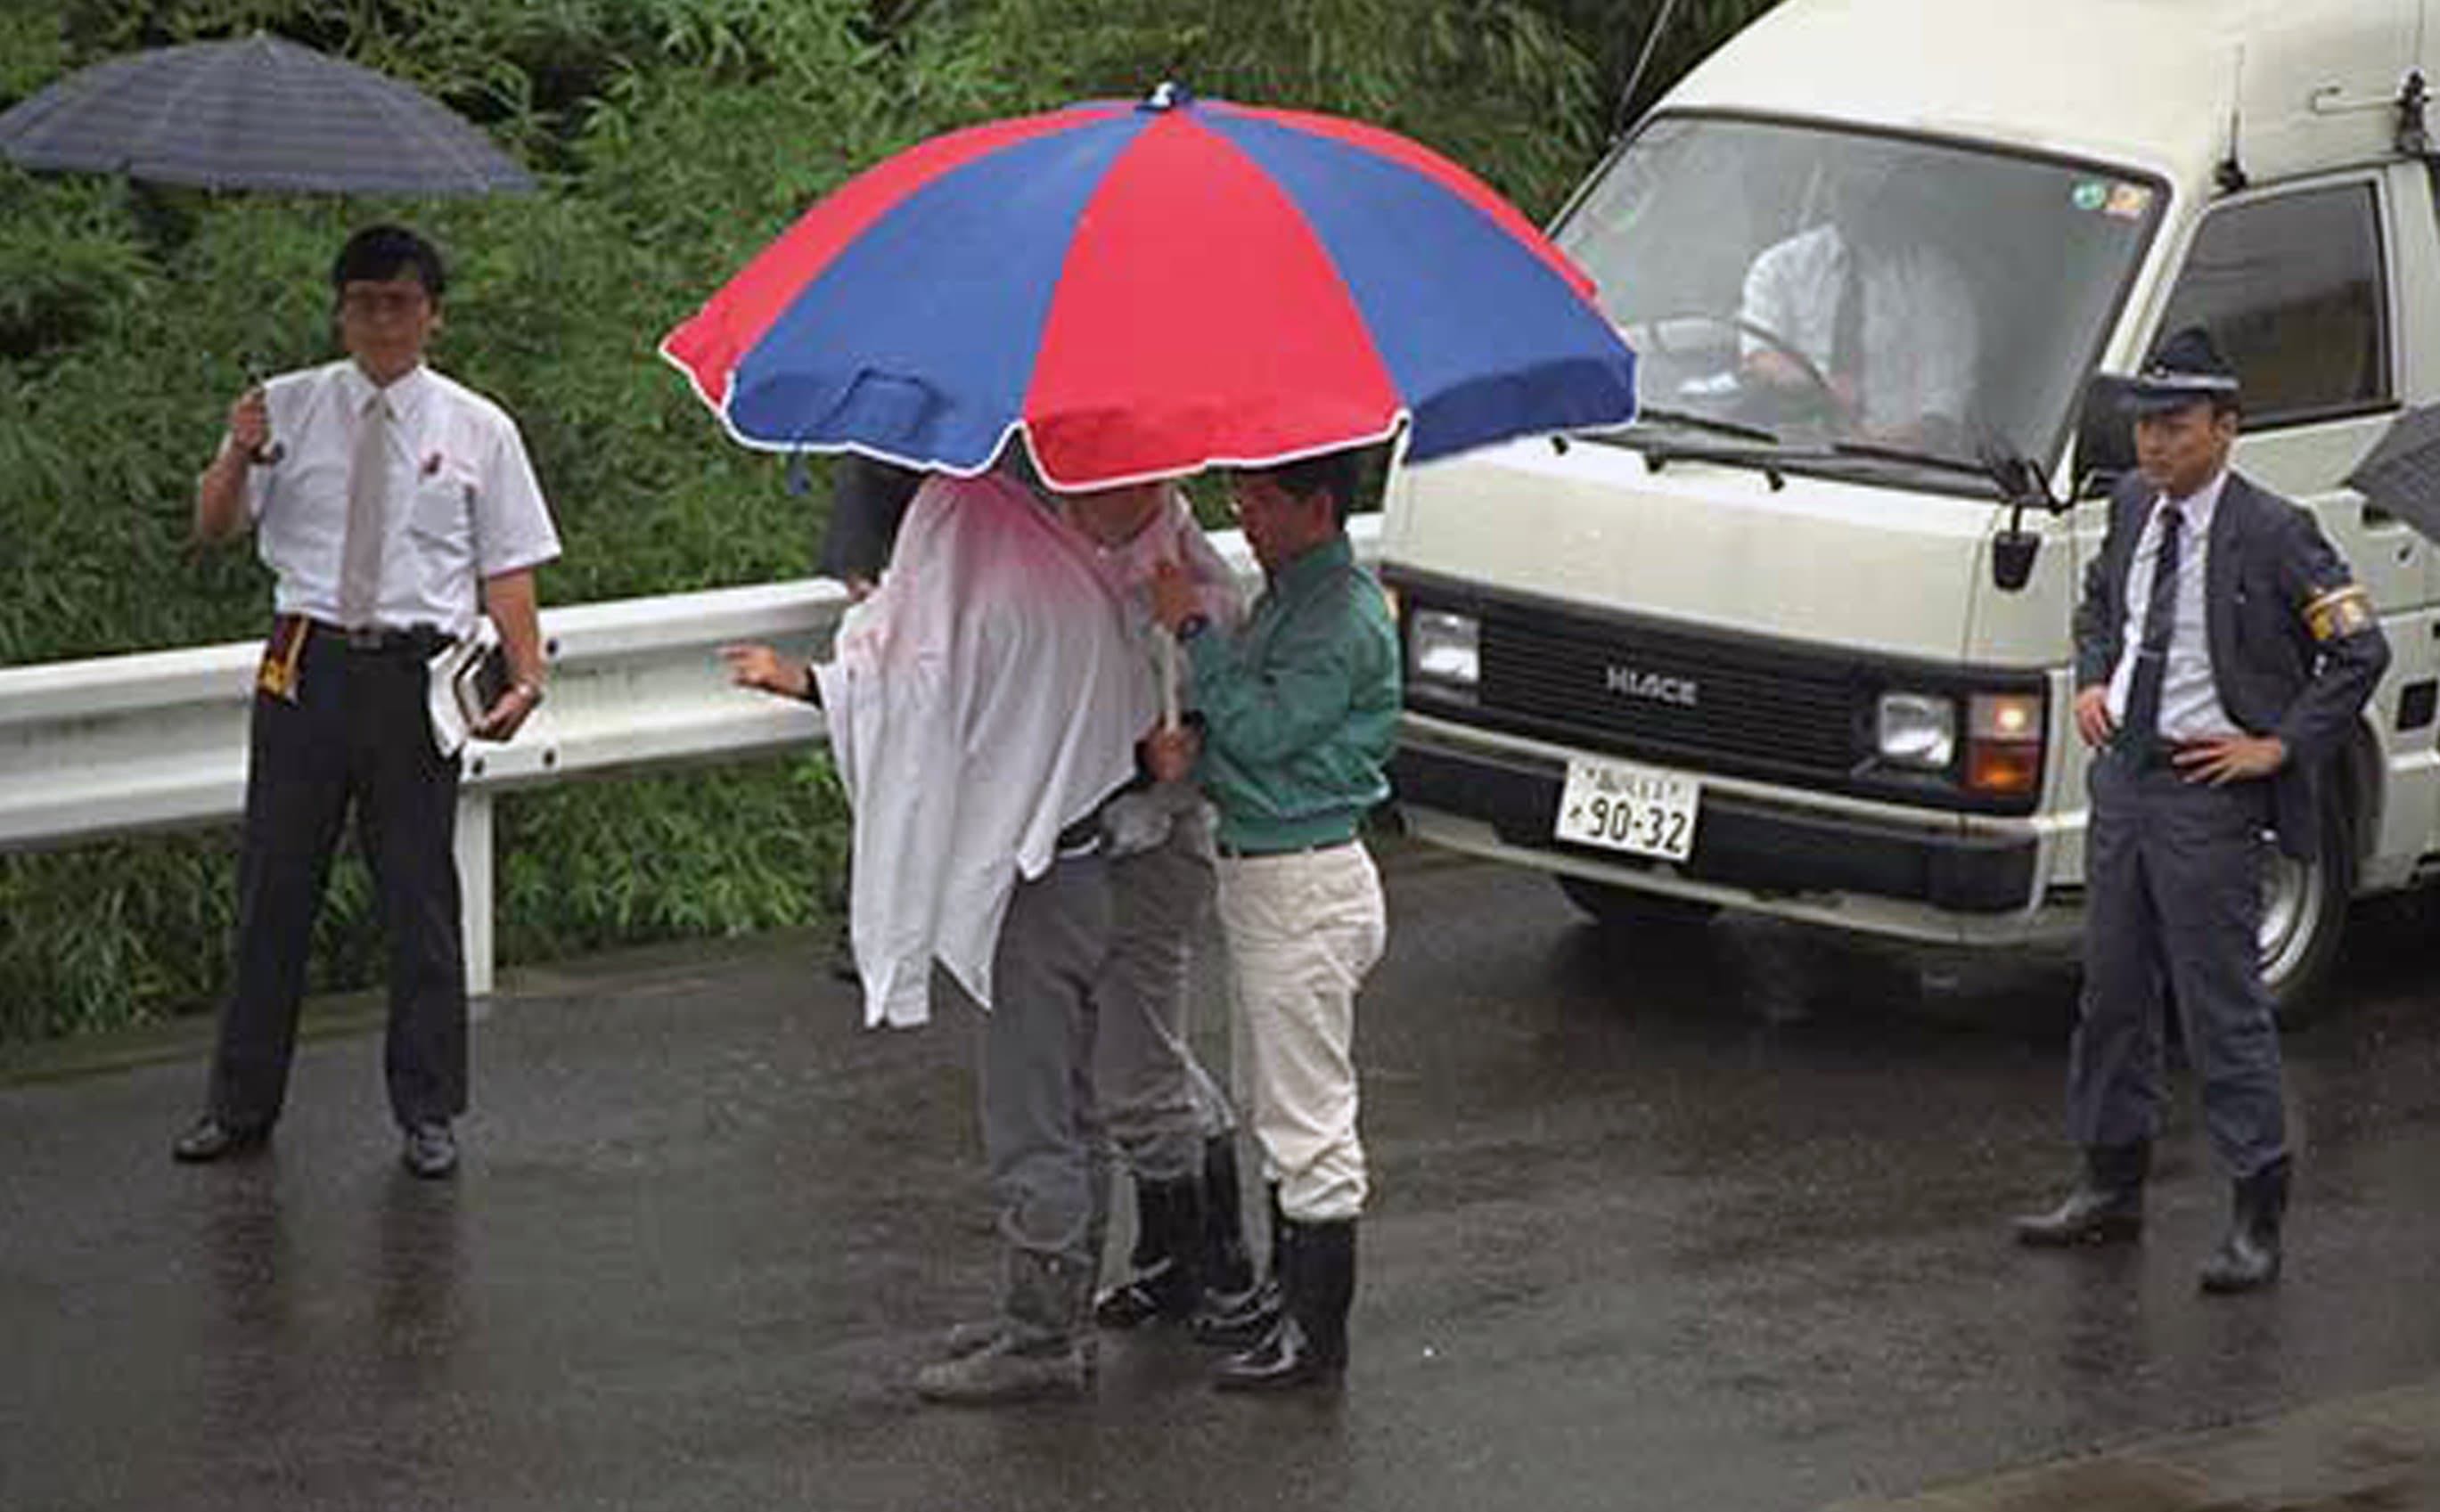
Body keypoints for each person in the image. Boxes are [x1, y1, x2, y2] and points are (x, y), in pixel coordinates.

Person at [722, 466, 1153, 1405]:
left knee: (1031, 1114)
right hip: (1087, 860)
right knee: (1074, 1103)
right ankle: (1061, 1312)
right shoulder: (1064, 566)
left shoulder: (974, 558)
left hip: (1029, 886)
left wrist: (807, 682)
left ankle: (1042, 1336)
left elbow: (914, 694)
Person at [173, 225, 561, 1180]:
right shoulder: (283, 407)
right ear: (340, 311)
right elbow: (213, 527)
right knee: (274, 889)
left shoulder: (477, 427)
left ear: (432, 315)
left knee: (418, 895)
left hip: (412, 672)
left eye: (399, 303)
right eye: (363, 303)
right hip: (305, 663)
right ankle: (239, 1105)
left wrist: (525, 673)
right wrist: (238, 453)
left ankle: (428, 1111)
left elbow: (506, 565)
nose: (382, 320)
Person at [2012, 327, 2389, 1292]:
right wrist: (2093, 677)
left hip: (2207, 793)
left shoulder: (2275, 530)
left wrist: (2278, 746)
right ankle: (2109, 1179)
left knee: (2220, 1004)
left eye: (2175, 425)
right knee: (2111, 992)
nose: (2153, 442)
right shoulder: (2133, 506)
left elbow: (2358, 650)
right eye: (2145, 424)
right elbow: (2100, 602)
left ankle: (2256, 1209)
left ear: (2226, 427)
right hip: (2126, 780)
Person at [1146, 451, 1398, 1391]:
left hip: (1303, 880)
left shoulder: (1334, 616)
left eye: (1259, 500)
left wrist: (1192, 629)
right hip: (1275, 872)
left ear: (1318, 506)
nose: (1244, 516)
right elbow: (1257, 744)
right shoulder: (1294, 596)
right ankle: (1286, 1297)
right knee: (1270, 1098)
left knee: (1306, 1117)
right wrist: (1195, 752)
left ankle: (1316, 1337)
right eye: (1238, 498)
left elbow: (1265, 729)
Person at [1049, 481, 1261, 1334]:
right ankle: (1191, 1252)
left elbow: (1227, 702)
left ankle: (1198, 1258)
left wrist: (1177, 737)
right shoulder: (1085, 563)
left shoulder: (1190, 581)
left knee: (1136, 1063)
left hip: (1159, 843)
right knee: (1136, 1049)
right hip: (1106, 840)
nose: (1086, 497)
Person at [1738, 161, 1979, 450]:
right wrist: (1823, 386)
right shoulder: (1781, 266)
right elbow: (1760, 358)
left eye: (1874, 193)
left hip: (1900, 456)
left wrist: (1874, 448)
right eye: (1848, 189)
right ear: (1828, 191)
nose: (1859, 204)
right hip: (1787, 449)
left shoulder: (1934, 280)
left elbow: (1943, 408)